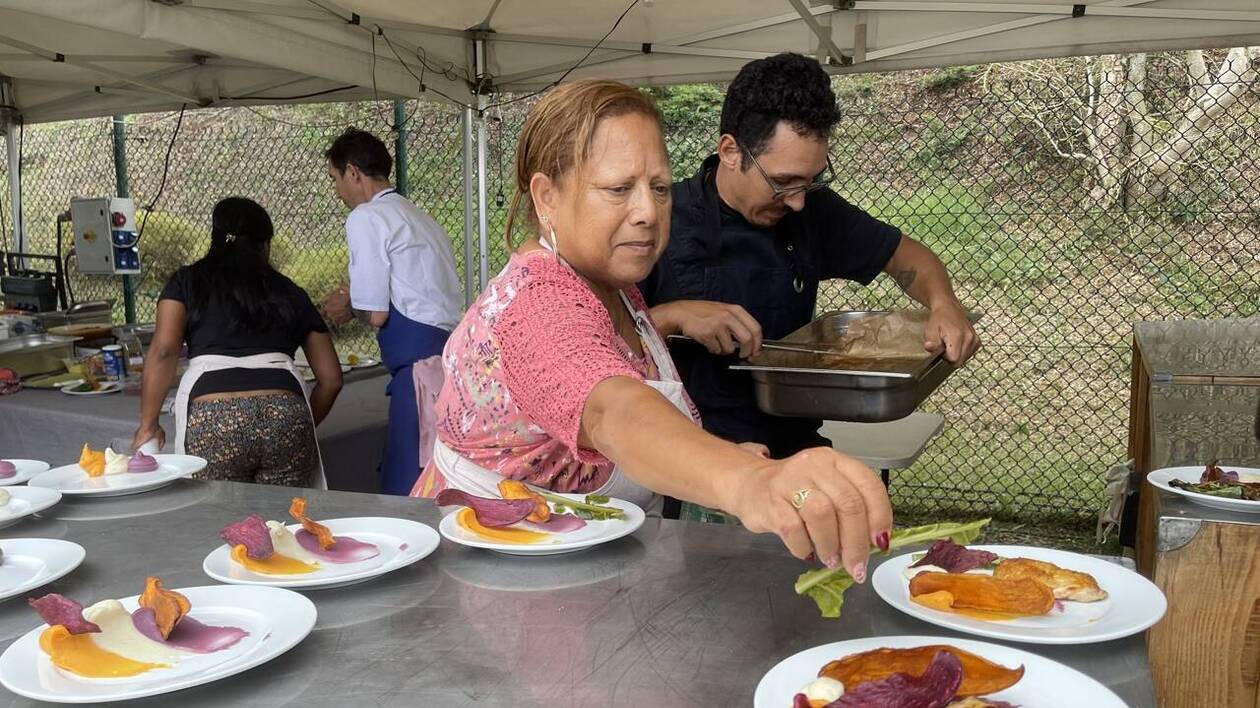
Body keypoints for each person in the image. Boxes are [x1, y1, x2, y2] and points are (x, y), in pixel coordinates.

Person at [416, 79, 892, 580]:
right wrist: (751, 482)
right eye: (619, 189)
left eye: (659, 188)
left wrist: (718, 456)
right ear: (546, 197)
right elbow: (611, 410)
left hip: (577, 572)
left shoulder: (611, 284)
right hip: (496, 580)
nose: (647, 213)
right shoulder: (536, 301)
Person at [642, 53, 981, 460]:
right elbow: (596, 348)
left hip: (793, 450)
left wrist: (944, 303)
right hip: (689, 455)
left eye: (812, 180)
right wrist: (673, 316)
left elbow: (906, 256)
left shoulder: (813, 212)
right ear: (731, 151)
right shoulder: (657, 219)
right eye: (783, 182)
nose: (799, 202)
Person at [133, 197, 342, 487]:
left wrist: (148, 425)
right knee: (284, 525)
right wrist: (297, 422)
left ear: (215, 237)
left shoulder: (186, 282)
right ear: (265, 244)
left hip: (214, 417)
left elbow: (165, 349)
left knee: (219, 519)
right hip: (286, 413)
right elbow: (331, 379)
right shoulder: (291, 291)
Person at [320, 128, 463, 496]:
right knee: (439, 478)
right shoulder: (420, 217)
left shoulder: (367, 217)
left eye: (335, 179)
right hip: (445, 363)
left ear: (353, 172)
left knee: (408, 487)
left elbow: (376, 312)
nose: (336, 191)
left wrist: (347, 306)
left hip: (415, 372)